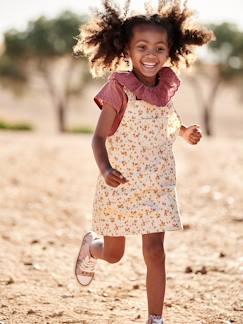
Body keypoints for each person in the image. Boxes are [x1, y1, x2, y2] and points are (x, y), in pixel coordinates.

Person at [73, 1, 214, 323]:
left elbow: (163, 117)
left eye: (159, 47)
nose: (151, 54)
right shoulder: (118, 88)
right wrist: (106, 169)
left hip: (158, 182)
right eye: (142, 46)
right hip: (119, 183)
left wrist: (184, 131)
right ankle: (91, 246)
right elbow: (97, 138)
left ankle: (155, 318)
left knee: (155, 251)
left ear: (171, 50)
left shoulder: (165, 85)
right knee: (114, 254)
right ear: (126, 48)